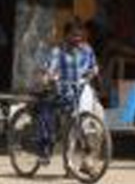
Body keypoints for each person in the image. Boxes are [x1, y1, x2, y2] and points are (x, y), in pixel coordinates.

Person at [35, 23, 98, 162]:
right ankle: (45, 147)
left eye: (80, 35)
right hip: (62, 92)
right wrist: (48, 77)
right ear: (66, 36)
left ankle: (85, 156)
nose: (77, 38)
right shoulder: (58, 51)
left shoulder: (87, 50)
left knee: (89, 123)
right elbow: (50, 68)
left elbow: (94, 68)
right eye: (74, 35)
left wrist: (89, 76)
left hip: (81, 92)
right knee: (45, 110)